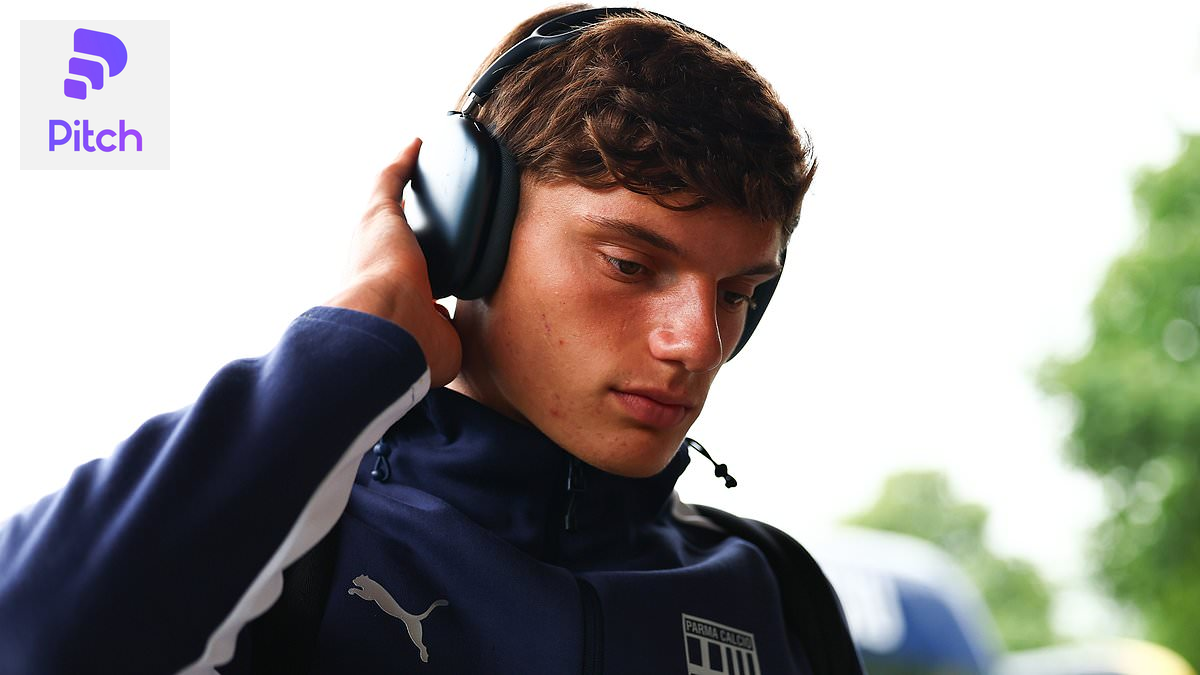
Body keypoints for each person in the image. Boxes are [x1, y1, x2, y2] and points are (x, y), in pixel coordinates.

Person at [0, 5, 861, 674]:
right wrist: (365, 331)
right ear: (466, 229)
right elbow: (34, 637)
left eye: (738, 293)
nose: (698, 344)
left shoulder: (777, 592)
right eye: (630, 264)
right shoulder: (286, 557)